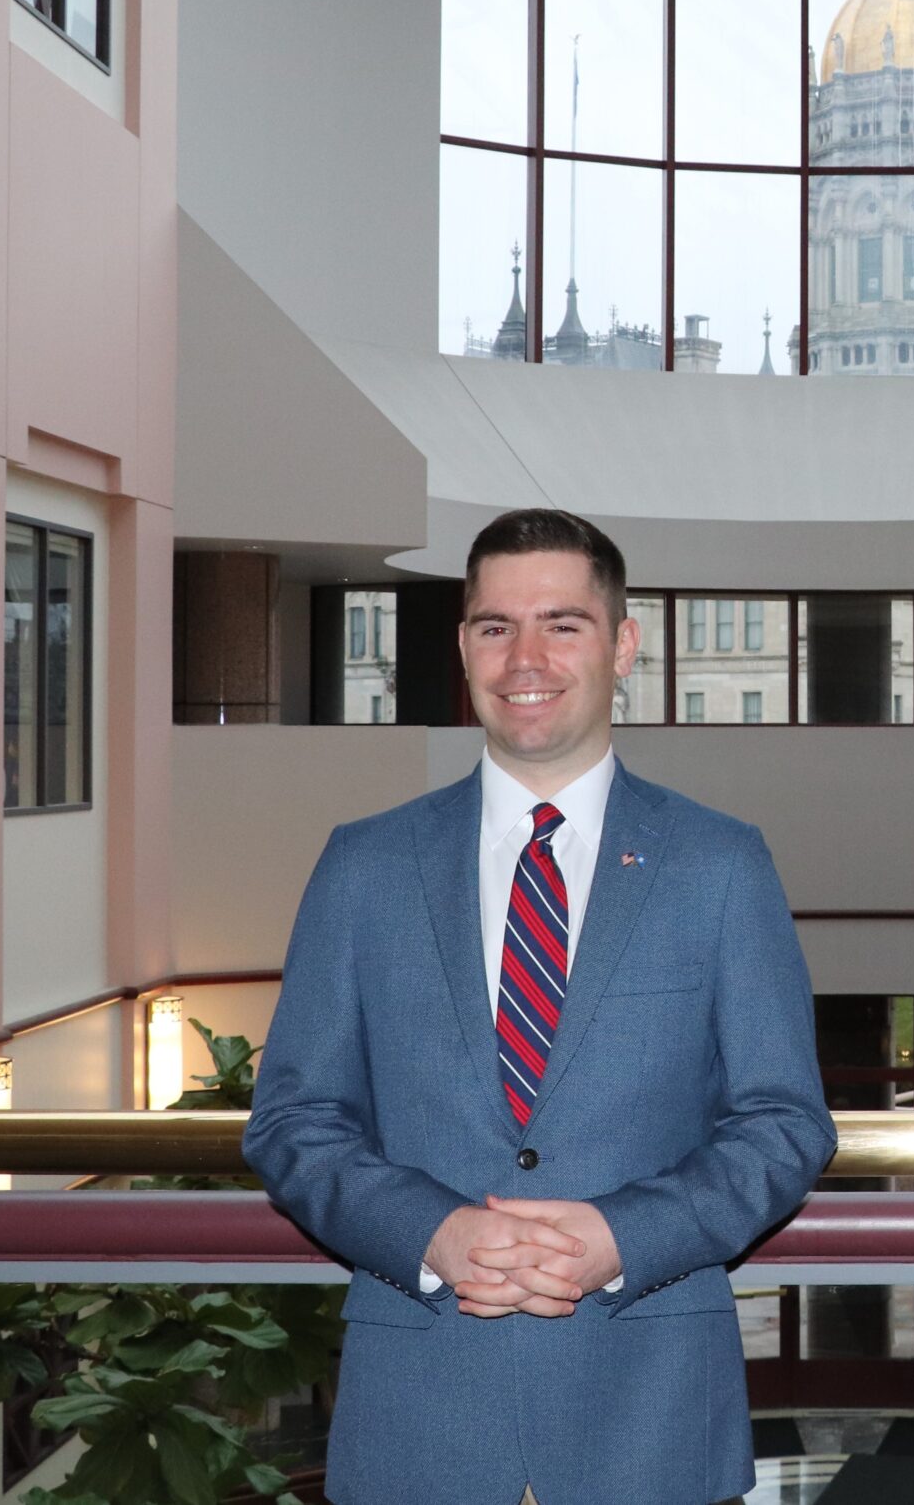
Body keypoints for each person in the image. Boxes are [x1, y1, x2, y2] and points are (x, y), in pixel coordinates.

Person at [246, 507, 835, 1505]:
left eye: (562, 623)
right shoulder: (365, 864)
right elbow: (295, 1123)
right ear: (463, 646)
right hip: (419, 1421)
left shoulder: (719, 863)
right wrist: (429, 1233)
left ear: (622, 645)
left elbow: (783, 1125)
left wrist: (623, 1238)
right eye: (493, 626)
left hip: (649, 1418)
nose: (525, 657)